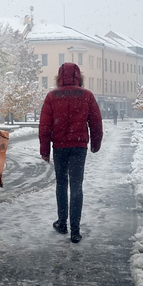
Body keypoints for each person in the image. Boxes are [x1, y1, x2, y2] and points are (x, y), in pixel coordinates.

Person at [39, 62, 103, 243]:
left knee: (61, 184)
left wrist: (45, 149)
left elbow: (45, 125)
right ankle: (75, 230)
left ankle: (62, 223)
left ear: (59, 78)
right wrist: (96, 142)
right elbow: (96, 122)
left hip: (59, 147)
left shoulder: (52, 96)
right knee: (76, 186)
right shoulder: (86, 95)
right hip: (79, 147)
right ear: (79, 77)